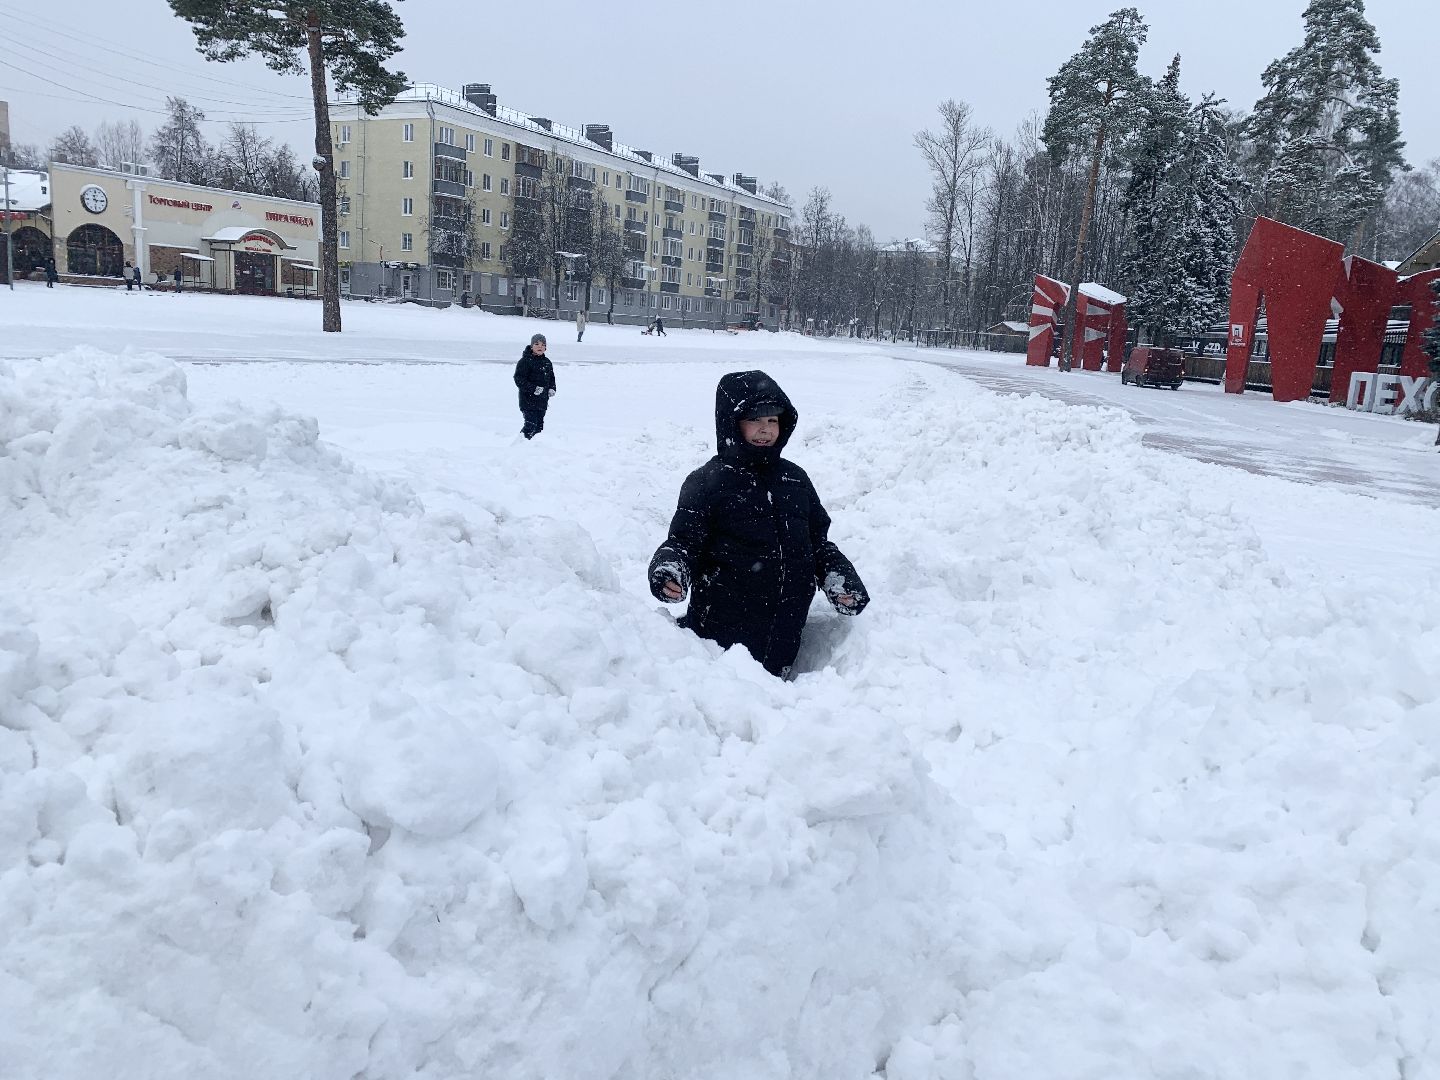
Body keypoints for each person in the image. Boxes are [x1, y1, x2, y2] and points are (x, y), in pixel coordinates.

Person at [648, 370, 869, 678]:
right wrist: (671, 568)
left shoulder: (795, 479)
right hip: (720, 646)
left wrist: (837, 575)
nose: (766, 430)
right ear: (732, 422)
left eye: (773, 421)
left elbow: (817, 543)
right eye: (755, 420)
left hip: (784, 635)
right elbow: (684, 543)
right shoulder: (707, 483)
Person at [513, 333, 556, 439]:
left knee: (539, 427)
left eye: (543, 345)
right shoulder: (525, 361)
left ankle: (534, 447)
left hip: (542, 401)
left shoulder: (547, 362)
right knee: (530, 425)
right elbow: (519, 379)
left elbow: (551, 378)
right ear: (531, 346)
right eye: (537, 344)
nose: (540, 347)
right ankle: (521, 443)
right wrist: (533, 389)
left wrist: (552, 388)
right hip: (528, 401)